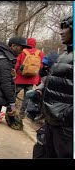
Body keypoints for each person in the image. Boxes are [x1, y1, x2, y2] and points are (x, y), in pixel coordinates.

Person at [35, 16, 73, 158]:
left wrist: (64, 115)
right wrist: (41, 91)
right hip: (52, 121)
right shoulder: (65, 54)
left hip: (65, 127)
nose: (61, 32)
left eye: (65, 27)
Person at [14, 38, 44, 118]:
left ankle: (11, 109)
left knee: (13, 95)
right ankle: (21, 114)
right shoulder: (40, 53)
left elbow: (17, 65)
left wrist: (13, 75)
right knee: (27, 98)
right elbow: (41, 67)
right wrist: (39, 81)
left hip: (20, 78)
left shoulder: (22, 51)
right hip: (32, 79)